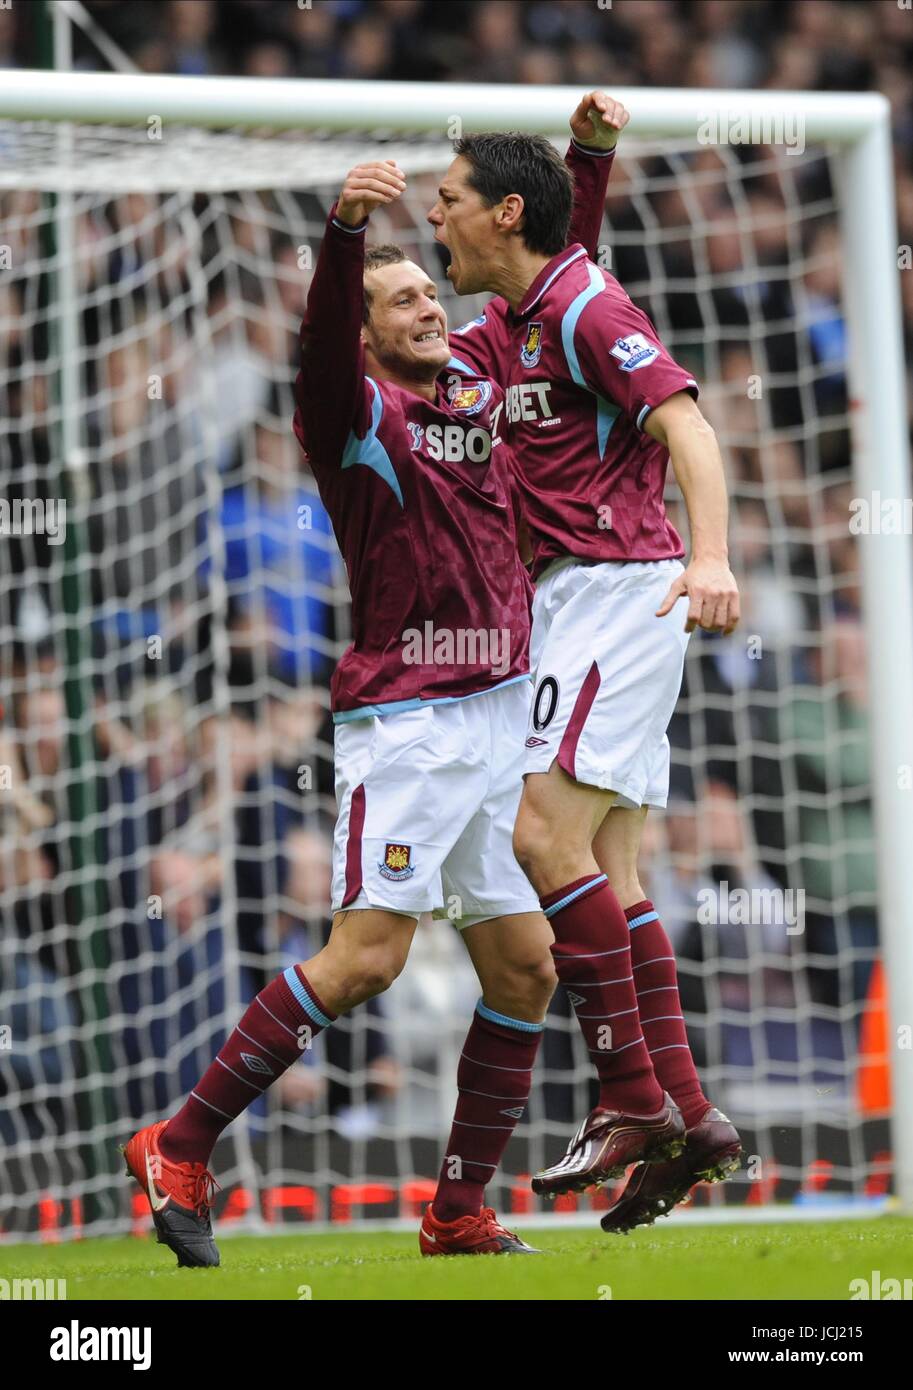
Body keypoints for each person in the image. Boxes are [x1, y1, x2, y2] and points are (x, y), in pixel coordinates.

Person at [121, 94, 688, 1264]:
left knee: (525, 965)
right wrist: (342, 241)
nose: (430, 303)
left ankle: (457, 1208)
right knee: (370, 957)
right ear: (366, 336)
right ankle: (179, 1141)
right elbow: (322, 344)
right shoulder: (354, 416)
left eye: (429, 290)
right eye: (401, 302)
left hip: (496, 715)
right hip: (410, 721)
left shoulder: (477, 385)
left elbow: (542, 272)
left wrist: (584, 165)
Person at [428, 123, 743, 1231]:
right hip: (576, 600)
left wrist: (710, 556)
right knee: (614, 868)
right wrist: (585, 165)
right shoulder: (511, 321)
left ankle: (626, 1096)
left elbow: (687, 426)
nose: (435, 217)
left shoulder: (583, 304)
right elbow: (555, 254)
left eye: (449, 198)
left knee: (538, 837)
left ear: (503, 213)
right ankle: (691, 1116)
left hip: (619, 588)